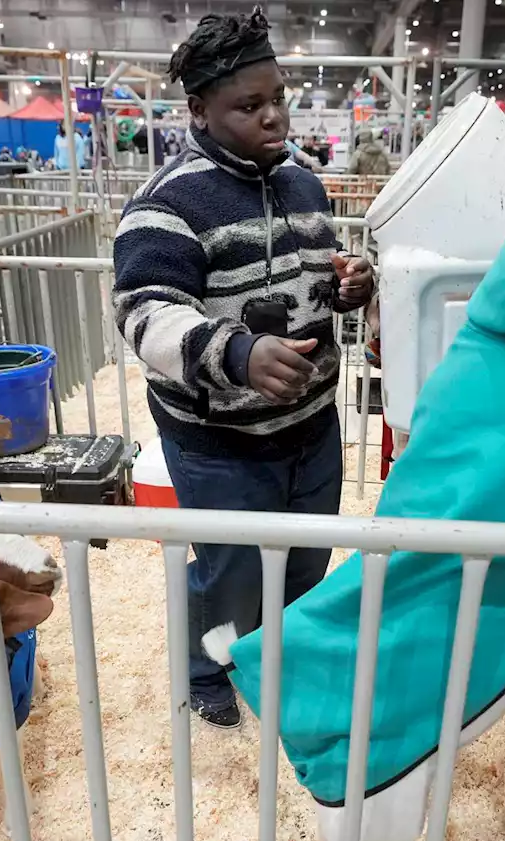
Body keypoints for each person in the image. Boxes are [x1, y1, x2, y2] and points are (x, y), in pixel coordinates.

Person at [112, 7, 375, 728]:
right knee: (231, 574)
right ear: (198, 109)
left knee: (301, 565)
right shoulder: (166, 206)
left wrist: (352, 282)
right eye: (249, 106)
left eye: (278, 98)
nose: (274, 119)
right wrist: (235, 352)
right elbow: (146, 313)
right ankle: (209, 670)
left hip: (311, 427)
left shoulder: (304, 185)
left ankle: (275, 659)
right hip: (221, 443)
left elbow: (320, 270)